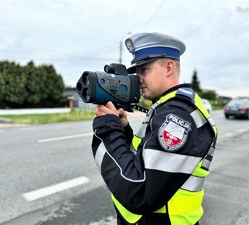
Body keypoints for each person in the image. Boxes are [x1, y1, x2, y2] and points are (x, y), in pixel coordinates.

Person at [91, 32, 218, 225]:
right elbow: (142, 159)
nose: (138, 78)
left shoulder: (178, 116)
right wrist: (122, 129)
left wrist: (108, 129)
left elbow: (139, 192)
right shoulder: (165, 107)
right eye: (137, 71)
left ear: (169, 67)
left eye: (144, 70)